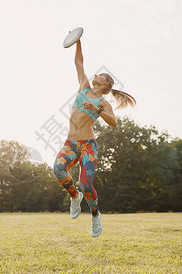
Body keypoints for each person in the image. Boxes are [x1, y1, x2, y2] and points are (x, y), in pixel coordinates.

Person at [53, 39, 136, 237]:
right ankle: (75, 196)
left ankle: (95, 215)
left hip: (88, 146)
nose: (95, 74)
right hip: (70, 144)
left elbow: (114, 122)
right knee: (58, 169)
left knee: (86, 184)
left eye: (100, 75)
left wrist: (96, 109)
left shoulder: (102, 102)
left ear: (106, 83)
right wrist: (77, 41)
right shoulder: (83, 87)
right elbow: (79, 63)